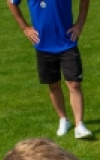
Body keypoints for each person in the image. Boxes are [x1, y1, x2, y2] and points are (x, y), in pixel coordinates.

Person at [8, 0, 93, 138]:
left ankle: (79, 125)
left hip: (67, 42)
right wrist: (25, 28)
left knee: (74, 83)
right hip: (43, 45)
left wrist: (79, 24)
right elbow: (11, 2)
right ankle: (64, 119)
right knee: (53, 85)